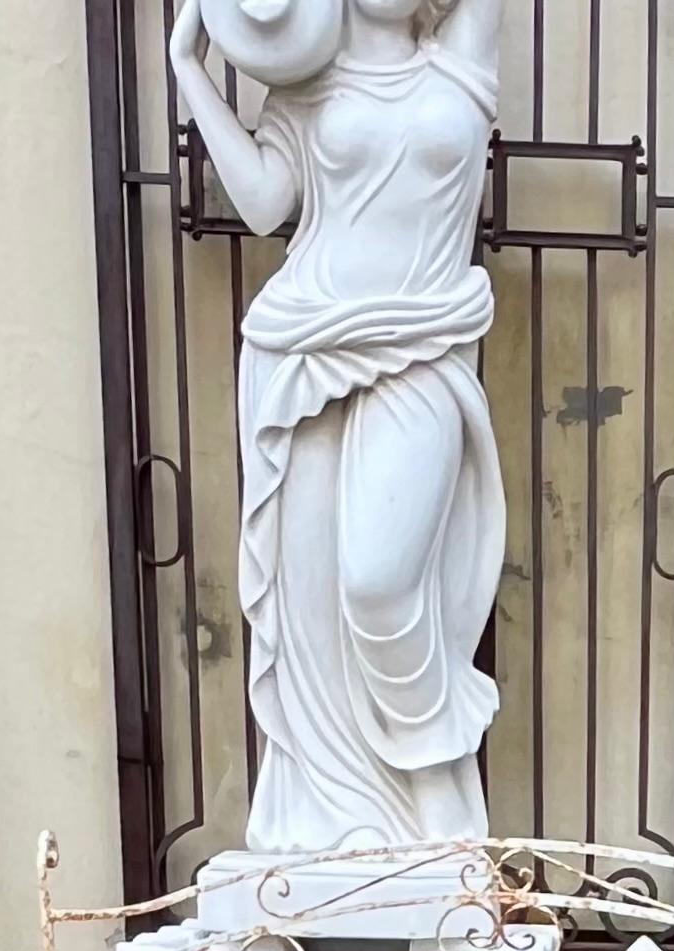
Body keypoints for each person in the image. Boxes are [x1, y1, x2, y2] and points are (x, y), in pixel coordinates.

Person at [169, 0, 507, 854]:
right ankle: (331, 825)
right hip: (305, 347)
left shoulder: (460, 61)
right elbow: (258, 206)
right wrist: (190, 70)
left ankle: (432, 779)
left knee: (380, 580)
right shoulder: (306, 94)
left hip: (422, 345)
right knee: (312, 597)